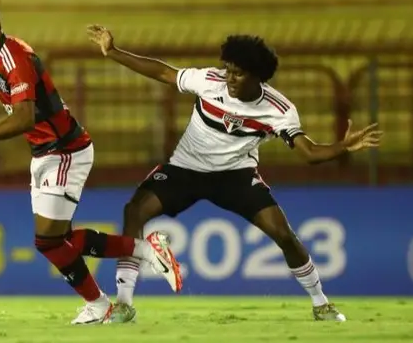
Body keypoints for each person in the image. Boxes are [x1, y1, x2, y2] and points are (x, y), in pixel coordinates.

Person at [87, 24, 383, 323]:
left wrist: (343, 146)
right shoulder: (209, 80)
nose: (229, 78)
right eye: (227, 69)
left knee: (284, 235)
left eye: (237, 73)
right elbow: (164, 72)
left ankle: (321, 304)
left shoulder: (278, 109)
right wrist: (113, 52)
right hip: (186, 168)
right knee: (134, 210)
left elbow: (309, 153)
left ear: (258, 77)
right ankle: (124, 304)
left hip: (235, 175)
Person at [0, 0, 183, 325]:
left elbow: (24, 118)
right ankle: (133, 267)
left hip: (65, 150)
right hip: (45, 153)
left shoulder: (14, 59)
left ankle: (110, 291)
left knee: (47, 240)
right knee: (57, 241)